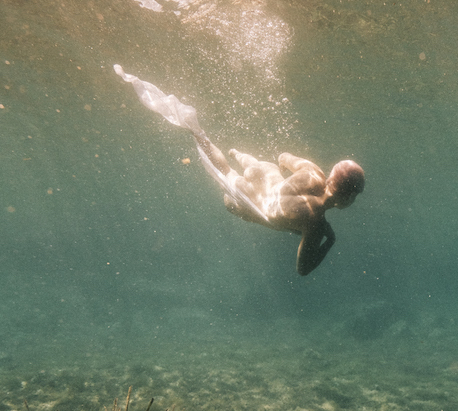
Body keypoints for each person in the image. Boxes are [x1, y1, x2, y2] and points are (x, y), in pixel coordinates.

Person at [114, 64, 364, 275]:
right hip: (246, 202)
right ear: (349, 197)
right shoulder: (316, 224)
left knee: (253, 169)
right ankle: (204, 137)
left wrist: (283, 176)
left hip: (263, 176)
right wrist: (329, 241)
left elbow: (283, 157)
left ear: (332, 175)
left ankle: (237, 154)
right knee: (230, 188)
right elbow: (302, 268)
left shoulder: (312, 171)